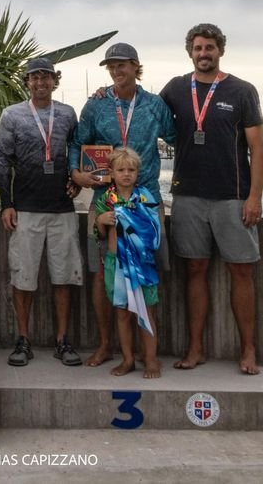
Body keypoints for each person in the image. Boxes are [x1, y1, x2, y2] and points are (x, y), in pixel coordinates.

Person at [159, 23, 263, 375]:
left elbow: (257, 149)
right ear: (190, 52)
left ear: (220, 50)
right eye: (198, 48)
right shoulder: (176, 88)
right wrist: (105, 93)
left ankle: (248, 349)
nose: (203, 53)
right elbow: (144, 110)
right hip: (188, 195)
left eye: (210, 47)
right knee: (195, 269)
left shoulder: (242, 91)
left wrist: (254, 197)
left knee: (241, 270)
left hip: (232, 197)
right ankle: (196, 348)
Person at [68, 42, 175, 367]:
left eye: (122, 65)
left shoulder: (155, 105)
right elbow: (78, 142)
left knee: (148, 273)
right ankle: (106, 346)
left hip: (146, 202)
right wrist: (77, 174)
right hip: (105, 201)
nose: (116, 71)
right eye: (111, 66)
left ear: (135, 66)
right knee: (102, 274)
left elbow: (177, 138)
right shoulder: (96, 104)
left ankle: (147, 352)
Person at [0, 58, 84, 367]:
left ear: (55, 81)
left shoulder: (68, 114)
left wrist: (77, 181)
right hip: (26, 208)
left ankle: (62, 340)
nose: (40, 82)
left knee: (64, 277)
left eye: (46, 77)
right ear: (27, 82)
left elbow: (77, 153)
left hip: (62, 208)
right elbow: (2, 160)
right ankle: (23, 339)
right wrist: (7, 203)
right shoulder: (12, 115)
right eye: (34, 77)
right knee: (23, 277)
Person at [92, 147, 162, 379]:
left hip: (142, 264)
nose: (126, 174)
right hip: (117, 264)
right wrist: (101, 221)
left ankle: (150, 359)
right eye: (121, 170)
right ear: (111, 172)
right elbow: (99, 235)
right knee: (122, 312)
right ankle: (128, 359)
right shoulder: (106, 199)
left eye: (131, 170)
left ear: (137, 173)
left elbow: (154, 230)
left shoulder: (145, 197)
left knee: (146, 312)